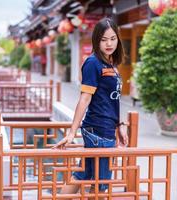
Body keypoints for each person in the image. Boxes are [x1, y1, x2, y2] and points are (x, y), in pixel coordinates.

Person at [53, 18, 127, 199]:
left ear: (118, 39)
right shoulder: (93, 63)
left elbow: (112, 100)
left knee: (82, 174)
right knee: (101, 185)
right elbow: (85, 99)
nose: (109, 43)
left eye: (112, 38)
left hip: (104, 128)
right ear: (96, 40)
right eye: (103, 39)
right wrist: (71, 132)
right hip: (99, 131)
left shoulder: (110, 63)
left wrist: (119, 124)